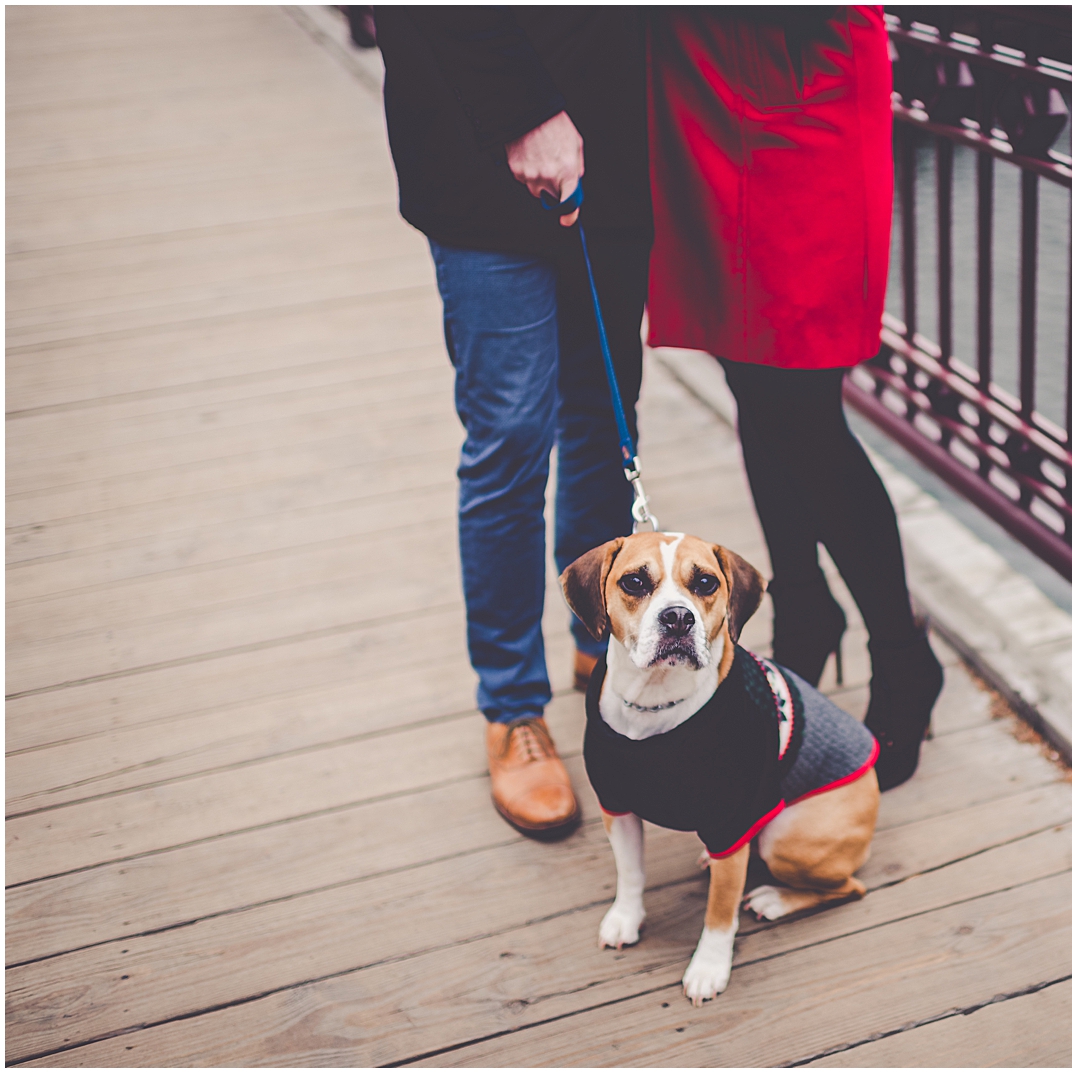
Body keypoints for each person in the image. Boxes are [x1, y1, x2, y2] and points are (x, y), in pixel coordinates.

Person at [645, 8, 942, 790]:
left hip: (797, 83)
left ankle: (902, 656)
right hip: (703, 84)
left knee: (803, 407)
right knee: (751, 376)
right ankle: (805, 607)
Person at [375, 8, 651, 839]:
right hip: (480, 149)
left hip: (616, 137)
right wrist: (524, 113)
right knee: (510, 442)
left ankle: (598, 638)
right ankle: (511, 705)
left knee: (608, 416)